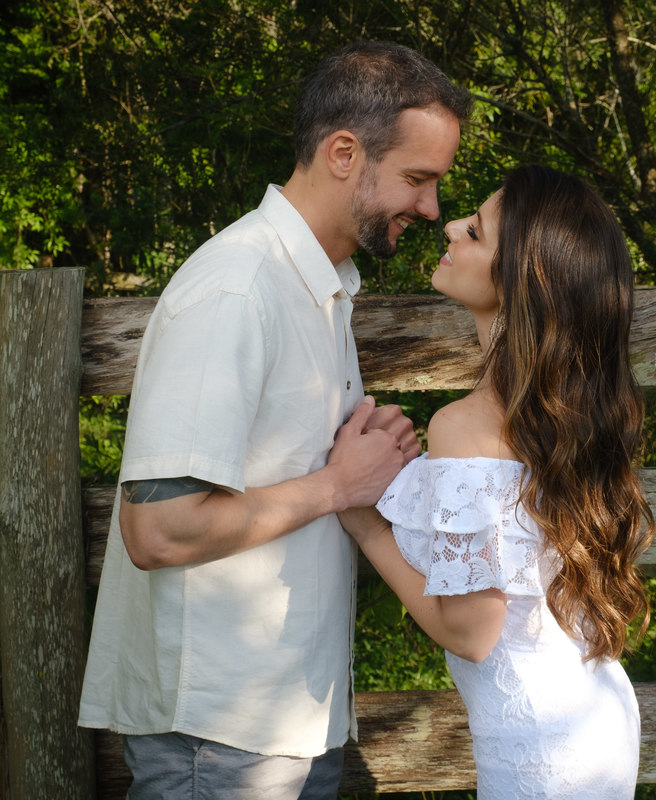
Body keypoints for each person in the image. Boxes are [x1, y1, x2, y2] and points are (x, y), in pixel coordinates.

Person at [77, 42, 473, 799]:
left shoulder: (320, 288)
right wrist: (335, 484)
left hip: (284, 724)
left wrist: (361, 474)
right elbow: (157, 531)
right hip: (218, 739)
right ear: (344, 152)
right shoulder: (237, 289)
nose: (430, 207)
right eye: (419, 180)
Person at [338, 164, 656, 799]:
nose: (451, 226)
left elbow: (472, 631)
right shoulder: (559, 417)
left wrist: (364, 520)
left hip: (540, 752)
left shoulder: (468, 425)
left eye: (475, 232)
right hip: (596, 720)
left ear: (519, 283)